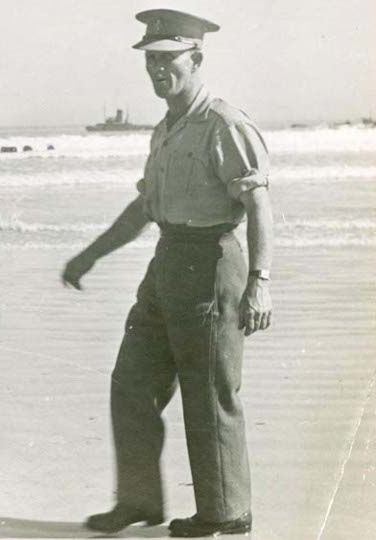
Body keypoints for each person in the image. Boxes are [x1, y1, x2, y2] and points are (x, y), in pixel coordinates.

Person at [62, 9, 272, 537]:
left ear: (196, 58)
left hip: (212, 263)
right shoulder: (166, 128)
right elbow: (144, 208)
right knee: (130, 384)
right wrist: (91, 254)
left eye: (168, 59)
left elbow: (260, 204)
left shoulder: (223, 123)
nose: (158, 70)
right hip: (166, 263)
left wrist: (260, 282)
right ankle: (138, 502)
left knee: (209, 394)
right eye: (151, 60)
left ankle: (226, 513)